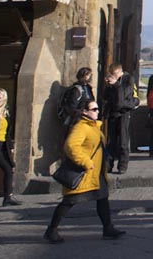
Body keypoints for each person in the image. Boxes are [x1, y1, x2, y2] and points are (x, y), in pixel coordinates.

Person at [43, 99, 125, 243]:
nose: (97, 111)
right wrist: (86, 162)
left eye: (97, 109)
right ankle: (52, 230)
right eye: (94, 109)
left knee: (102, 198)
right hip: (86, 171)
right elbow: (70, 146)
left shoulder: (93, 126)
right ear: (84, 112)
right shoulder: (81, 126)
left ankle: (108, 228)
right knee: (69, 201)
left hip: (96, 172)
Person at [102, 63, 138, 174]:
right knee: (111, 141)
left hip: (123, 113)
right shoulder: (112, 83)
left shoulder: (128, 80)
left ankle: (122, 165)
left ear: (118, 72)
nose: (112, 76)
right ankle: (108, 165)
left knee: (123, 141)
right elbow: (106, 97)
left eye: (113, 74)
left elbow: (122, 99)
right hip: (113, 113)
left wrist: (116, 85)